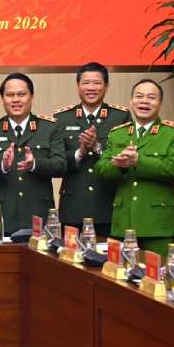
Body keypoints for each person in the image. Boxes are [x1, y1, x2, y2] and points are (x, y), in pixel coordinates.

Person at [95, 78, 174, 260]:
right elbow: (101, 169)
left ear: (160, 103)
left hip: (158, 224)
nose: (144, 101)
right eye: (139, 96)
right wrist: (118, 165)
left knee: (160, 279)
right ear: (131, 101)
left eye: (151, 97)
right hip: (123, 221)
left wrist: (139, 161)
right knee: (120, 278)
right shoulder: (117, 133)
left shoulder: (173, 133)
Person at [0, 72, 66, 234]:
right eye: (9, 95)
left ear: (32, 97)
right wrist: (2, 165)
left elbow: (60, 166)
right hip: (2, 215)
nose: (15, 100)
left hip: (39, 214)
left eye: (21, 94)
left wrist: (35, 164)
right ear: (2, 99)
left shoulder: (50, 127)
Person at [55, 62, 129, 233]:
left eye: (96, 83)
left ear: (106, 86)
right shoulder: (62, 118)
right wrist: (80, 152)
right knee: (67, 258)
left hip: (108, 203)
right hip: (73, 205)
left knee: (108, 258)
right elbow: (57, 160)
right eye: (86, 83)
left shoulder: (120, 117)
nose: (91, 88)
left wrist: (97, 147)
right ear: (78, 86)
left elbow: (124, 161)